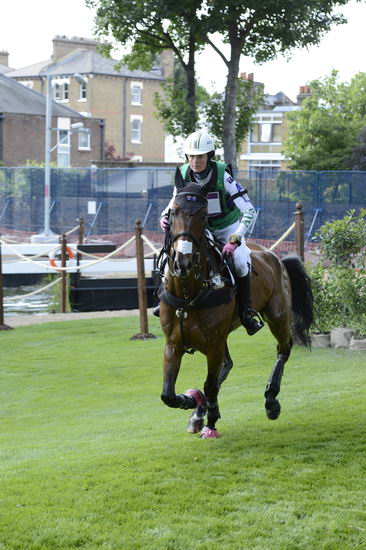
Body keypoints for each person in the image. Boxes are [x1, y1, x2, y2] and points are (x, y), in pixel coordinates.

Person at [155, 130, 263, 336]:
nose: (196, 161)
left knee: (240, 261)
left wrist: (236, 238)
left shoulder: (224, 175)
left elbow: (249, 210)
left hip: (227, 227)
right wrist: (164, 216)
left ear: (209, 156)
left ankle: (246, 311)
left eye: (201, 156)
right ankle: (165, 300)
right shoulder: (184, 173)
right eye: (192, 156)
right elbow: (174, 202)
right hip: (199, 228)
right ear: (187, 157)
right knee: (173, 255)